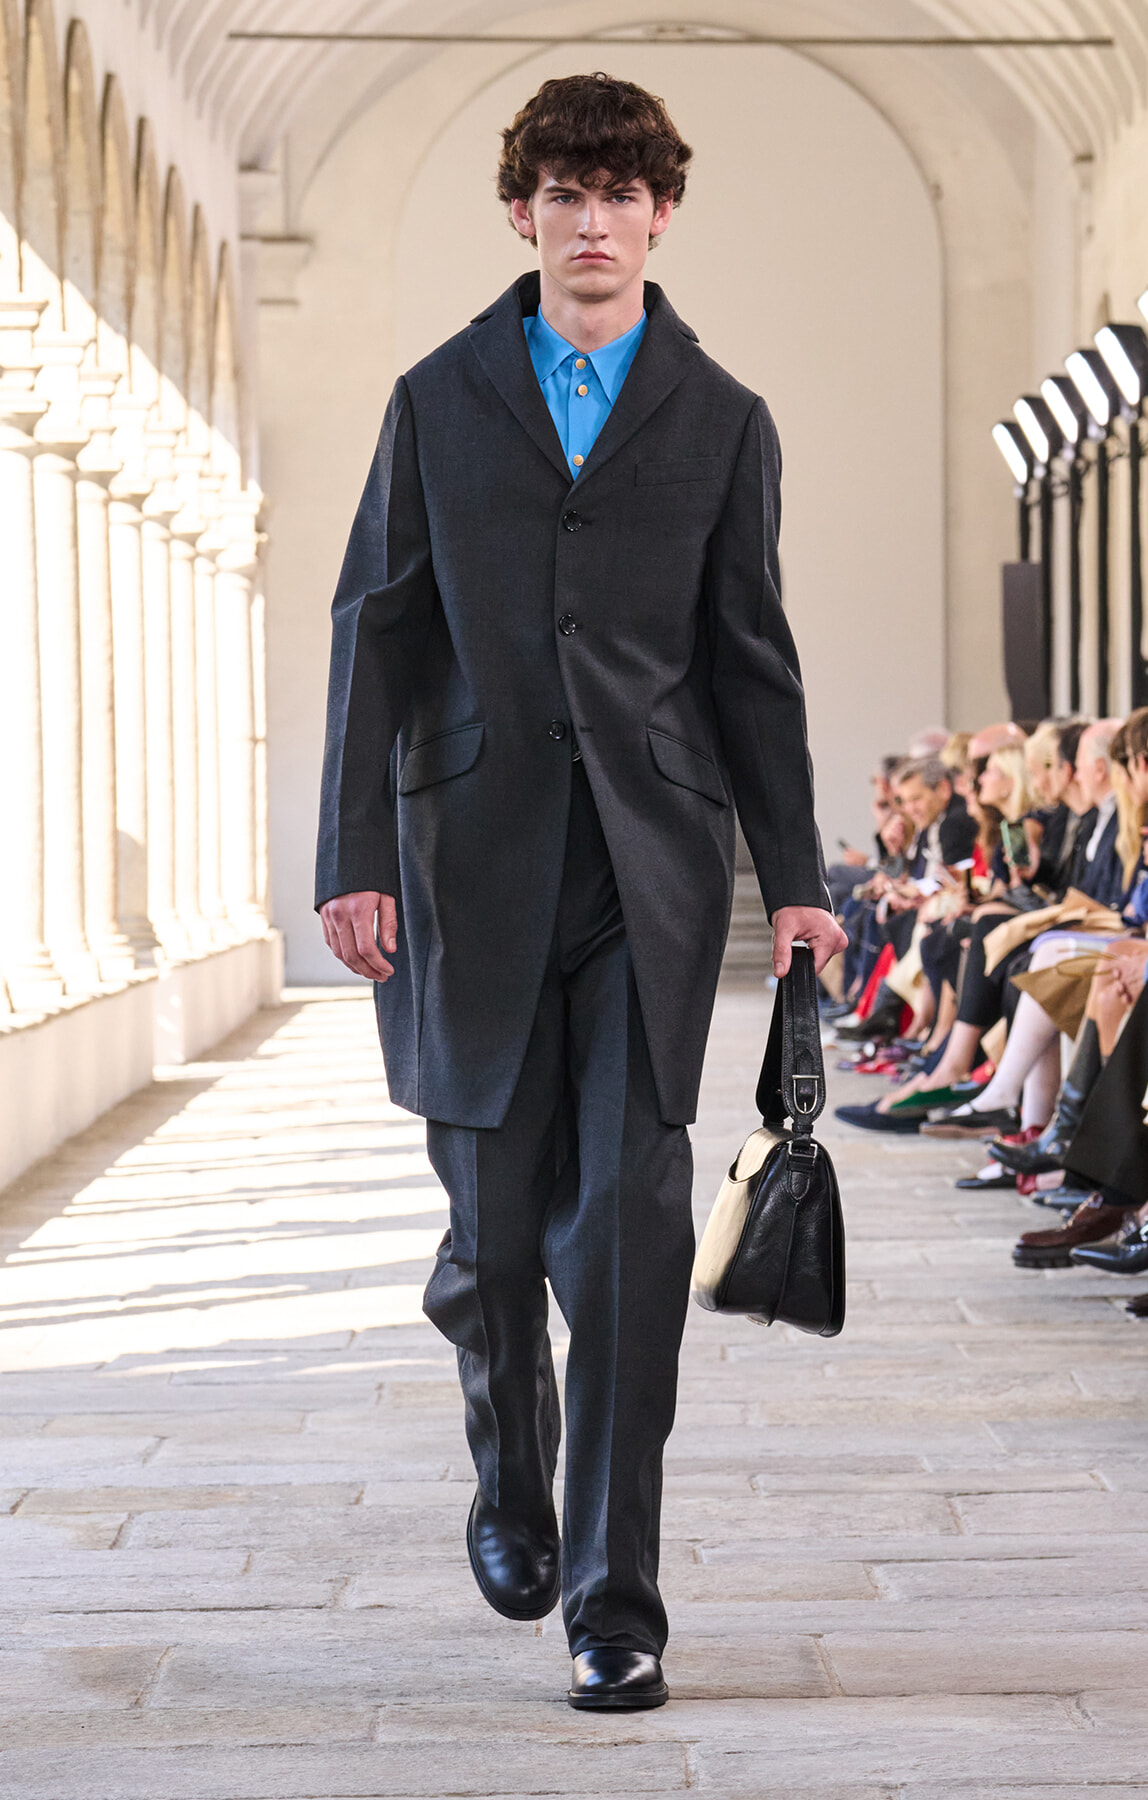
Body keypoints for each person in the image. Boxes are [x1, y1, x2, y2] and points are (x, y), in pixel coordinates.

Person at [314, 72, 845, 1713]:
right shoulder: (434, 397)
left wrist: (802, 878)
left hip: (646, 878)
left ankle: (619, 1598)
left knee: (622, 1235)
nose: (595, 222)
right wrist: (346, 859)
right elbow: (375, 626)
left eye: (623, 194)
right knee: (487, 1243)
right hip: (462, 876)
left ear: (662, 214)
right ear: (524, 211)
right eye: (566, 192)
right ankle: (508, 1473)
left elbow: (752, 667)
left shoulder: (722, 416)